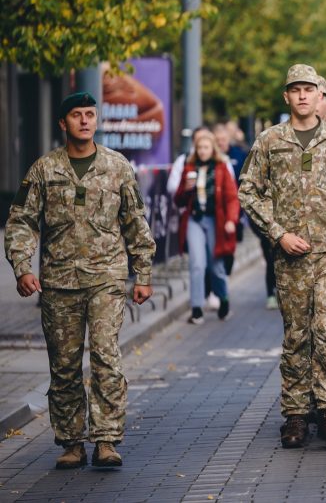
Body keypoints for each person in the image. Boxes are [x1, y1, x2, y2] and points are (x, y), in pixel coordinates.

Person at [4, 92, 156, 469]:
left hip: (106, 277)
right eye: (77, 115)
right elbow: (21, 220)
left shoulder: (117, 166)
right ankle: (71, 442)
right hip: (58, 282)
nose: (85, 121)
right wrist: (22, 267)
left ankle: (106, 439)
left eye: (90, 114)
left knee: (106, 357)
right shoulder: (44, 169)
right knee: (65, 364)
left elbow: (135, 221)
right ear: (63, 123)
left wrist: (144, 272)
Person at [239, 63, 326, 450]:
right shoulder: (270, 141)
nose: (303, 95)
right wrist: (278, 234)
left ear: (319, 95)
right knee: (297, 335)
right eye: (296, 89)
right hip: (291, 254)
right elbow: (248, 191)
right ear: (287, 97)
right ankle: (294, 414)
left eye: (309, 88)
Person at [174, 130, 240, 324]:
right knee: (197, 263)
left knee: (216, 265)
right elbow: (178, 200)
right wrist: (185, 189)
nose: (202, 151)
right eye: (199, 148)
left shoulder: (221, 168)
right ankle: (196, 308)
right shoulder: (189, 167)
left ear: (213, 149)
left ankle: (224, 298)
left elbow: (232, 197)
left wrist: (230, 220)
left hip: (215, 221)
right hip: (195, 219)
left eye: (206, 147)